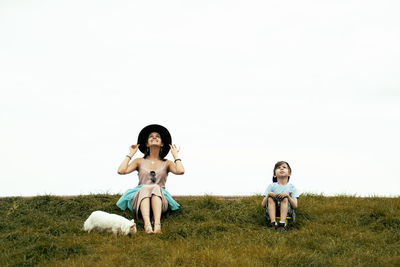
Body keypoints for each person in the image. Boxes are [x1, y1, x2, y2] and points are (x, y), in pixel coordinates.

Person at [116, 124, 185, 234]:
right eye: (151, 136)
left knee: (155, 187)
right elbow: (121, 170)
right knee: (145, 188)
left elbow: (181, 171)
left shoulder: (167, 163)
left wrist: (175, 155)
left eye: (157, 136)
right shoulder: (139, 161)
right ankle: (147, 225)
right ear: (147, 144)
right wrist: (131, 153)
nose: (154, 137)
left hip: (160, 198)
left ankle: (157, 225)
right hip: (140, 198)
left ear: (162, 143)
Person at [261, 161, 299, 231]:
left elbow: (295, 206)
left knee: (284, 198)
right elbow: (263, 205)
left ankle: (282, 224)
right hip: (272, 210)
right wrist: (269, 194)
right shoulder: (271, 186)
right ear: (274, 174)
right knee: (270, 198)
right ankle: (273, 224)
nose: (281, 169)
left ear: (289, 173)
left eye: (284, 167)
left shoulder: (292, 187)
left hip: (287, 211)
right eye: (278, 168)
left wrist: (287, 196)